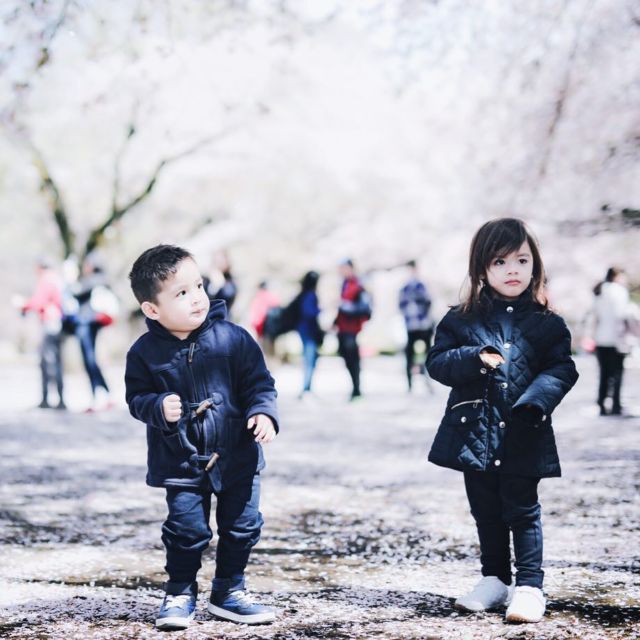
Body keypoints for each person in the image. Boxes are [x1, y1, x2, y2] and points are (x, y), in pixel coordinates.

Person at [426, 218, 578, 624]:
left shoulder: (548, 323)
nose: (513, 270)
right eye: (500, 261)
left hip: (524, 430)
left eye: (522, 260)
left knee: (523, 509)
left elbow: (562, 369)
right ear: (481, 269)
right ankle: (494, 578)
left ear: (535, 266)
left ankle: (529, 585)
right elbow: (437, 363)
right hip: (474, 432)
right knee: (486, 510)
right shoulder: (460, 320)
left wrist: (536, 402)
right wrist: (472, 359)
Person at [125, 245, 279, 630]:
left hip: (238, 455)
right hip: (180, 459)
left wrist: (264, 412)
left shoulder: (235, 339)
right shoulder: (144, 353)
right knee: (185, 530)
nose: (196, 297)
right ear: (152, 310)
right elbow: (136, 397)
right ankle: (179, 591)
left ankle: (229, 590)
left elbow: (260, 384)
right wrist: (157, 406)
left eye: (198, 285)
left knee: (243, 525)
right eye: (181, 293)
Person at [19, 258, 66, 409]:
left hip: (49, 323)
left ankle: (51, 400)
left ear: (40, 267)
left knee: (48, 362)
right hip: (58, 323)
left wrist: (23, 305)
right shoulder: (57, 279)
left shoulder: (46, 279)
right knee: (55, 361)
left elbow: (38, 301)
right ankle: (58, 399)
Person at [72, 254, 113, 411]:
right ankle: (104, 394)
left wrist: (71, 279)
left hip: (86, 323)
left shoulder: (93, 280)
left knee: (89, 360)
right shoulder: (102, 280)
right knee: (91, 360)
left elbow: (75, 293)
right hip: (92, 324)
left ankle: (98, 396)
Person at [591, 267, 633, 415]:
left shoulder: (599, 291)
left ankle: (601, 404)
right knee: (617, 374)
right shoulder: (619, 291)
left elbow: (594, 317)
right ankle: (615, 404)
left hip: (600, 338)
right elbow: (621, 316)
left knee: (604, 373)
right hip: (617, 339)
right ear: (617, 276)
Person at [334, 259, 371, 401]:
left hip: (353, 330)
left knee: (353, 360)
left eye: (344, 268)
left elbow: (363, 309)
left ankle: (357, 390)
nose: (342, 272)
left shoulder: (359, 286)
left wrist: (345, 306)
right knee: (347, 359)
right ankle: (354, 388)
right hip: (342, 329)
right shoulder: (344, 284)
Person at [398, 260, 434, 392]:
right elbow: (401, 305)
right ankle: (410, 385)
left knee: (429, 355)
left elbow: (428, 302)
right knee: (409, 355)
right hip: (410, 326)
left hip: (423, 325)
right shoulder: (404, 288)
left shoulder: (422, 286)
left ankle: (429, 381)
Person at [295, 271, 323, 398]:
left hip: (305, 330)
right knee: (309, 358)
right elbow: (309, 312)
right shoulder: (310, 295)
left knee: (309, 358)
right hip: (308, 331)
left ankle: (307, 387)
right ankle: (306, 388)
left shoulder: (304, 294)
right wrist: (319, 310)